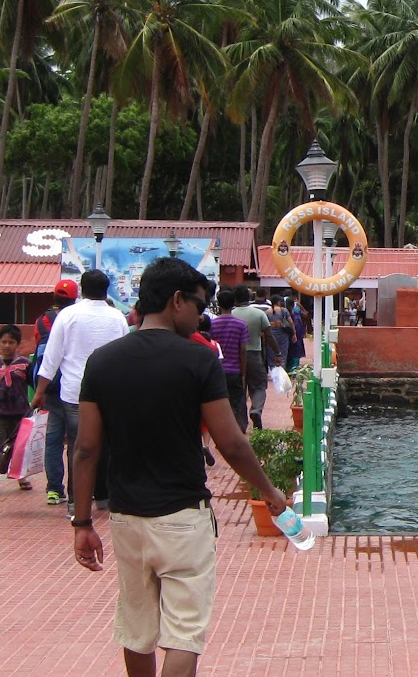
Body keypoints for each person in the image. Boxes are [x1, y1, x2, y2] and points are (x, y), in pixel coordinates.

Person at [70, 256, 290, 677]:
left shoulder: (101, 361)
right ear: (176, 301)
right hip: (182, 516)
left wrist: (82, 522)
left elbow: (85, 449)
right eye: (199, 305)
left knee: (136, 630)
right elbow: (231, 442)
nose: (201, 314)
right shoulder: (198, 360)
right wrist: (266, 488)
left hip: (126, 517)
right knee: (183, 635)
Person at [32, 270, 127, 511]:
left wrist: (39, 391)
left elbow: (52, 358)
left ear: (82, 289)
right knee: (106, 444)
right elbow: (126, 355)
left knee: (79, 447)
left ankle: (76, 501)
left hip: (74, 392)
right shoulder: (117, 317)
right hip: (111, 392)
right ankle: (104, 497)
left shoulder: (67, 316)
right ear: (107, 289)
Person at [32, 278, 78, 505]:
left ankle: (53, 489)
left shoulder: (41, 320)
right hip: (72, 387)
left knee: (53, 440)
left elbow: (42, 353)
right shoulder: (74, 319)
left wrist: (38, 391)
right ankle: (74, 493)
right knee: (76, 441)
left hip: (49, 388)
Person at [0, 324, 33, 497]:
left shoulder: (26, 365)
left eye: (11, 342)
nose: (7, 346)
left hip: (20, 411)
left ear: (18, 344)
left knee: (19, 447)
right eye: (4, 342)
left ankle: (21, 476)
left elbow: (35, 385)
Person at [231, 285, 278, 430]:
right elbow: (269, 335)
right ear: (249, 297)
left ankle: (241, 423)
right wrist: (277, 352)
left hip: (235, 356)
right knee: (258, 386)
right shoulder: (259, 314)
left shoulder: (231, 314)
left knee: (239, 390)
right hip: (255, 353)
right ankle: (256, 410)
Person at [209, 290, 250, 431]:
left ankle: (222, 429)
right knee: (238, 401)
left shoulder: (212, 324)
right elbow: (243, 350)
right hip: (235, 369)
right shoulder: (241, 325)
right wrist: (243, 372)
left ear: (218, 304)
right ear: (234, 303)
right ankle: (240, 428)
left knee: (220, 401)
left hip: (218, 370)